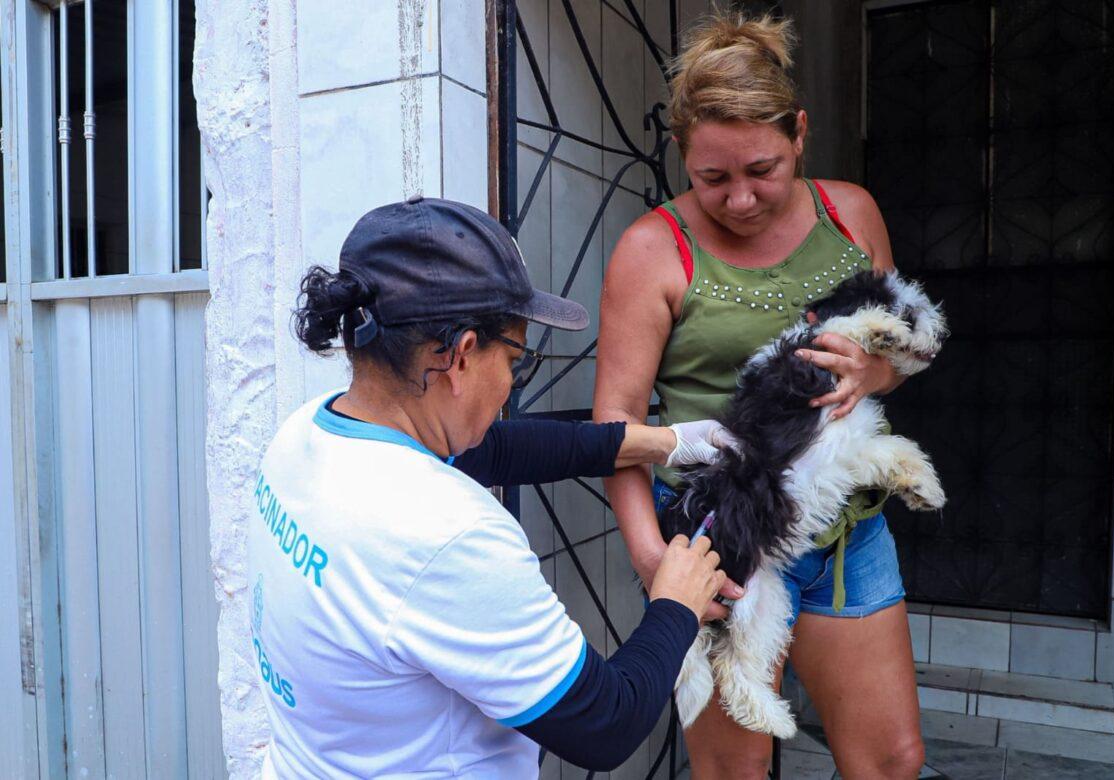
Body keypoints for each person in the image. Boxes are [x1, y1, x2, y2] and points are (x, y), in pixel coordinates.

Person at [248, 196, 733, 778]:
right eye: (516, 359)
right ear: (461, 355)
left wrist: (664, 443)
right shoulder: (449, 535)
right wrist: (676, 605)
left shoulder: (306, 437)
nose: (511, 384)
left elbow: (490, 450)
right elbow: (604, 724)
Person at [595, 13, 927, 780]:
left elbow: (902, 347)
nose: (740, 199)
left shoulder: (852, 214)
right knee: (733, 771)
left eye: (762, 170)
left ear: (800, 134)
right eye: (713, 178)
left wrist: (875, 374)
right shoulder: (653, 250)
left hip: (848, 535)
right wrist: (655, 563)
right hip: (722, 546)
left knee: (893, 760)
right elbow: (615, 425)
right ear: (682, 154)